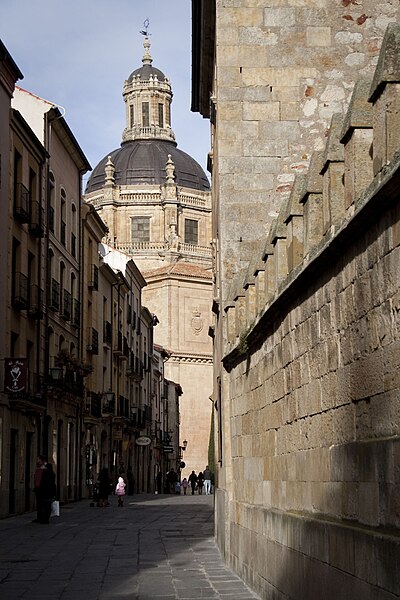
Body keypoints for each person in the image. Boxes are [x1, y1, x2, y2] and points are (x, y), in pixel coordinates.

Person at [33, 455, 56, 524]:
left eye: (39, 460)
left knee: (46, 504)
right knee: (40, 504)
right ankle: (40, 518)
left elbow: (50, 479)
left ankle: (45, 519)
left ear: (43, 461)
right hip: (39, 490)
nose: (38, 461)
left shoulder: (48, 468)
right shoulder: (39, 468)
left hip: (46, 490)